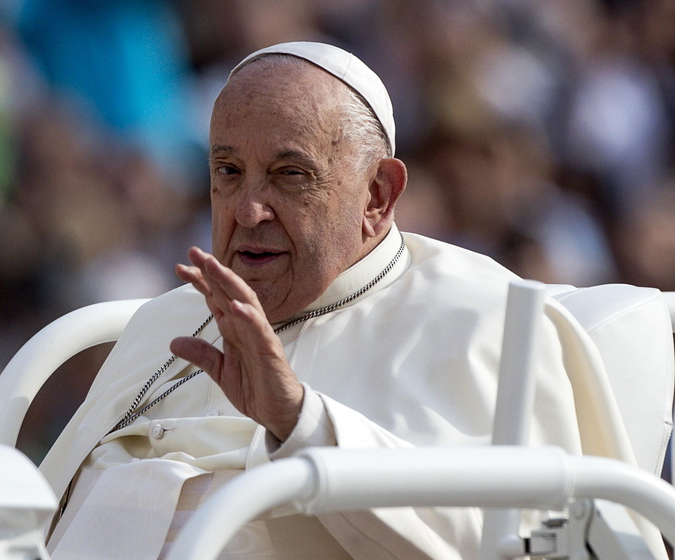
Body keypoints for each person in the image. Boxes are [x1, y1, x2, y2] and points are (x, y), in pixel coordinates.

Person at [38, 42, 582, 559]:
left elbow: (516, 540)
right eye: (228, 172)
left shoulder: (483, 320)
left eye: (289, 175)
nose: (248, 210)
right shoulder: (172, 317)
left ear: (378, 195)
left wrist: (302, 422)